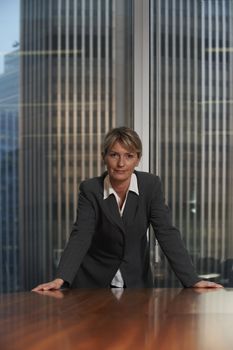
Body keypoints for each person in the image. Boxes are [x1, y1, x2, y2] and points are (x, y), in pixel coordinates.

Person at [32, 127, 222, 291]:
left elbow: (166, 232)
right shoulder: (90, 189)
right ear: (104, 157)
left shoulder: (150, 185)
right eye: (114, 155)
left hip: (136, 282)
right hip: (92, 283)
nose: (121, 163)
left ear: (138, 159)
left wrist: (192, 280)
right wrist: (61, 278)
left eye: (129, 156)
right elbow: (81, 234)